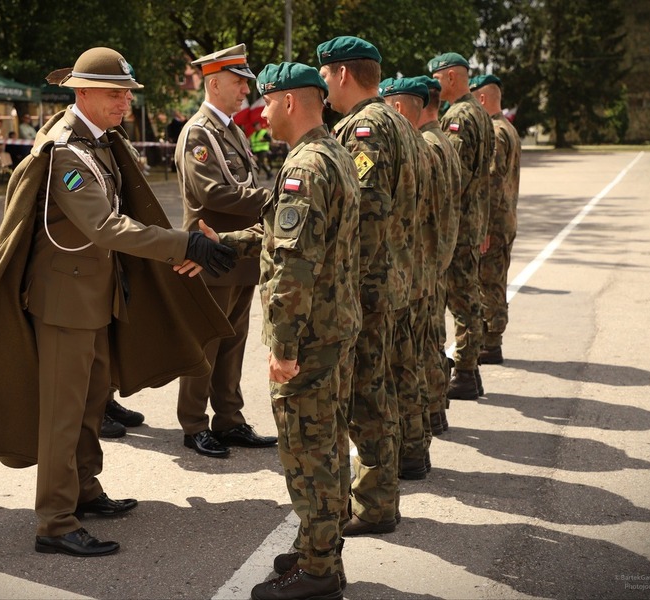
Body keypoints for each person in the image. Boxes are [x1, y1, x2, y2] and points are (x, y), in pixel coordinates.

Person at [0, 47, 237, 558]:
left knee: (91, 403)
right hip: (65, 304)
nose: (124, 105)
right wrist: (184, 244)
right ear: (82, 92)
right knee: (64, 415)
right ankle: (55, 520)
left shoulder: (100, 143)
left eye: (127, 95)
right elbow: (105, 226)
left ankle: (85, 491)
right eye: (115, 95)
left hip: (93, 297)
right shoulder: (69, 151)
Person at [187, 61, 360, 600]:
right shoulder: (331, 153)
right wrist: (225, 245)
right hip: (334, 328)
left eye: (267, 102)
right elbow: (285, 233)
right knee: (327, 445)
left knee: (309, 452)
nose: (261, 113)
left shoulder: (303, 167)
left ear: (289, 101)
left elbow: (292, 265)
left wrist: (282, 347)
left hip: (308, 338)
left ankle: (317, 573)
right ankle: (318, 545)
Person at [318, 35, 420, 535]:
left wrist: (343, 286)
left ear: (341, 73)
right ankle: (380, 496)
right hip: (394, 277)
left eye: (324, 75)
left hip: (369, 285)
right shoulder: (398, 121)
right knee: (381, 389)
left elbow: (366, 212)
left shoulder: (363, 129)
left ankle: (376, 502)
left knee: (366, 397)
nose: (322, 85)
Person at [175, 43, 275, 458]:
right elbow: (210, 192)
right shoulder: (199, 132)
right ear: (214, 83)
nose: (244, 92)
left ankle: (229, 419)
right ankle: (194, 424)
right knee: (206, 343)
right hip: (211, 253)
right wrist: (268, 199)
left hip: (239, 255)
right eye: (238, 83)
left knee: (233, 341)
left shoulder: (231, 130)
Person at [379, 77, 439, 480]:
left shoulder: (406, 145)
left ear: (398, 109)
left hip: (398, 274)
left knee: (393, 373)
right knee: (409, 365)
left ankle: (408, 455)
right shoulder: (426, 146)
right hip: (417, 271)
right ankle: (416, 449)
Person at [427, 52, 494, 400]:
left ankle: (465, 371)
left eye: (437, 78)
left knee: (460, 298)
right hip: (473, 220)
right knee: (467, 295)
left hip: (458, 223)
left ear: (451, 77)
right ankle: (470, 370)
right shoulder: (480, 113)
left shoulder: (458, 117)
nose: (434, 86)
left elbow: (454, 176)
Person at [412, 75, 462, 437]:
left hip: (424, 258)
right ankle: (437, 407)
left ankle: (430, 410)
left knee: (424, 341)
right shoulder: (443, 141)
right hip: (438, 256)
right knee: (434, 336)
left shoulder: (426, 146)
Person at [471, 74, 521, 365]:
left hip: (495, 222)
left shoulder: (495, 132)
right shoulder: (509, 129)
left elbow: (491, 181)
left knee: (489, 282)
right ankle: (491, 339)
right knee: (495, 280)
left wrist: (483, 225)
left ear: (481, 99)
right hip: (506, 219)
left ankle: (491, 343)